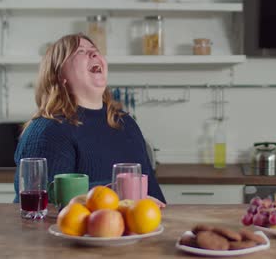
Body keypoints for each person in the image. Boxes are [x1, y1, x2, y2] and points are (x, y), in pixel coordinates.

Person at [14, 33, 165, 206]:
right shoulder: (47, 130)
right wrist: (116, 192)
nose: (93, 54)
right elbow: (41, 205)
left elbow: (152, 195)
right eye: (80, 51)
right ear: (59, 75)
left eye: (95, 50)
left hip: (132, 231)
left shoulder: (125, 123)